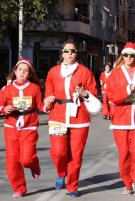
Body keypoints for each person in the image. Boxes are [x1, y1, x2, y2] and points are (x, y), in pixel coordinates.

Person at [44, 38, 98, 198]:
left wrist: (85, 94)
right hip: (58, 115)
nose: (69, 53)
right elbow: (48, 90)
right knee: (58, 152)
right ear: (62, 53)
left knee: (76, 154)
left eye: (72, 50)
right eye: (66, 51)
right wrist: (48, 98)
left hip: (79, 117)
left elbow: (93, 93)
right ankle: (61, 173)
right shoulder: (53, 72)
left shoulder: (85, 72)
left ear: (77, 54)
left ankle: (72, 186)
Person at [105, 42, 135, 198]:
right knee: (124, 154)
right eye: (125, 55)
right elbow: (111, 95)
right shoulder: (115, 74)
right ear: (122, 56)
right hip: (120, 119)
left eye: (132, 55)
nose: (128, 58)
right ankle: (128, 183)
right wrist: (126, 93)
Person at [0, 57, 48, 198]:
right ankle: (19, 188)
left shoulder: (34, 88)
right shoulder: (6, 89)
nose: (22, 73)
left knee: (26, 159)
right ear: (15, 72)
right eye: (20, 70)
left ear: (30, 74)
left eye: (26, 71)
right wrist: (4, 109)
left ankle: (34, 165)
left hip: (29, 127)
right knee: (12, 160)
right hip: (11, 127)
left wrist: (48, 103)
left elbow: (41, 106)